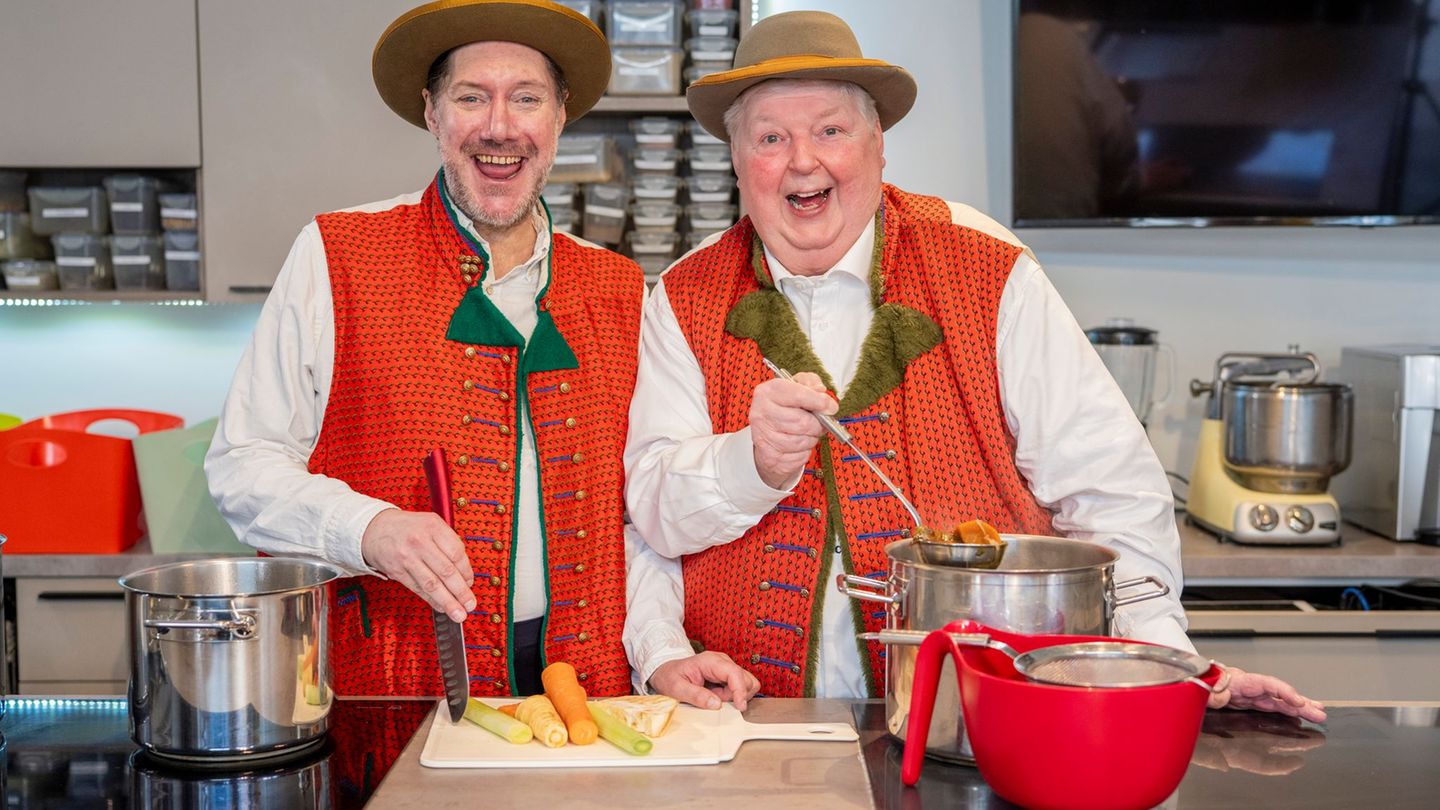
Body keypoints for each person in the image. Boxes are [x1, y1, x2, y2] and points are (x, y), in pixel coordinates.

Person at [621, 10, 1325, 722]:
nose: (803, 160)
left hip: (981, 722)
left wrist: (1161, 664)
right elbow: (647, 515)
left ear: (878, 144)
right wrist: (753, 464)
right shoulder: (684, 293)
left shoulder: (984, 263)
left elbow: (1108, 489)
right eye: (770, 138)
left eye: (830, 130)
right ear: (738, 160)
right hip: (753, 727)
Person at [206, 0, 644, 699]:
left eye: (526, 98)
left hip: (588, 688)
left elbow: (642, 512)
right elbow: (243, 465)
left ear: (559, 116)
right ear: (433, 113)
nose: (500, 127)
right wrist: (368, 527)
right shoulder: (337, 253)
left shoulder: (620, 287)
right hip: (395, 683)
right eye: (472, 97)